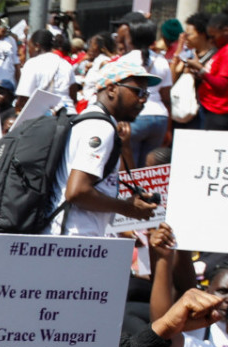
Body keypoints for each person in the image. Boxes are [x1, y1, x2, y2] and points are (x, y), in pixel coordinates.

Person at [47, 58, 160, 237]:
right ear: (112, 89)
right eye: (138, 92)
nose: (143, 100)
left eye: (146, 94)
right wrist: (128, 208)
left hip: (74, 237)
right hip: (75, 239)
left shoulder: (89, 119)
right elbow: (77, 191)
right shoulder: (100, 127)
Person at [121, 20, 174, 167]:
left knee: (129, 166)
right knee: (149, 170)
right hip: (160, 118)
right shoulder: (162, 61)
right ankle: (146, 191)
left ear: (130, 38)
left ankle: (133, 191)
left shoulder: (124, 61)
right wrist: (169, 128)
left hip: (135, 118)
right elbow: (166, 98)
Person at [16, 30, 78, 113]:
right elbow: (73, 96)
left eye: (29, 46)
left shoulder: (32, 64)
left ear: (37, 46)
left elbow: (24, 98)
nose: (29, 51)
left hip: (46, 117)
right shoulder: (65, 64)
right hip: (69, 114)